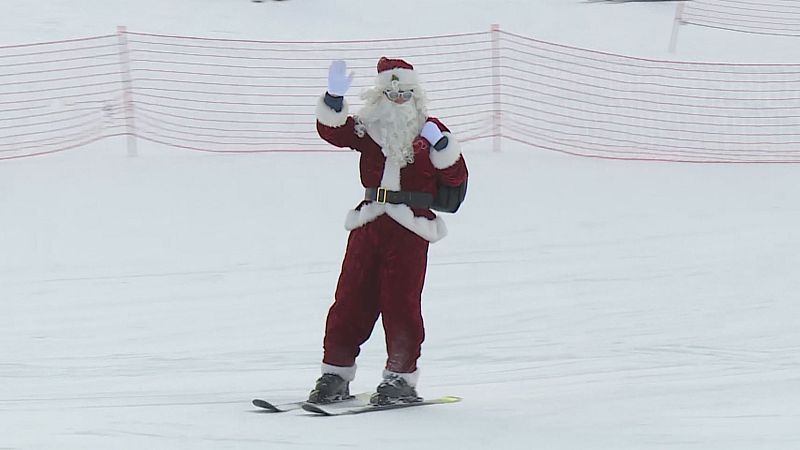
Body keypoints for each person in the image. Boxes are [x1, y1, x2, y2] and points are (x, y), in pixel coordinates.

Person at [308, 57, 468, 405]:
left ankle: (400, 377)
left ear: (415, 94)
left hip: (409, 228)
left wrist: (441, 146)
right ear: (380, 95)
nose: (398, 99)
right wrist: (334, 99)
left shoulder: (430, 130)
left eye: (405, 93)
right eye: (392, 93)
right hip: (369, 222)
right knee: (350, 298)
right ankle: (335, 373)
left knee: (401, 303)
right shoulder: (370, 127)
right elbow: (334, 131)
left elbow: (456, 176)